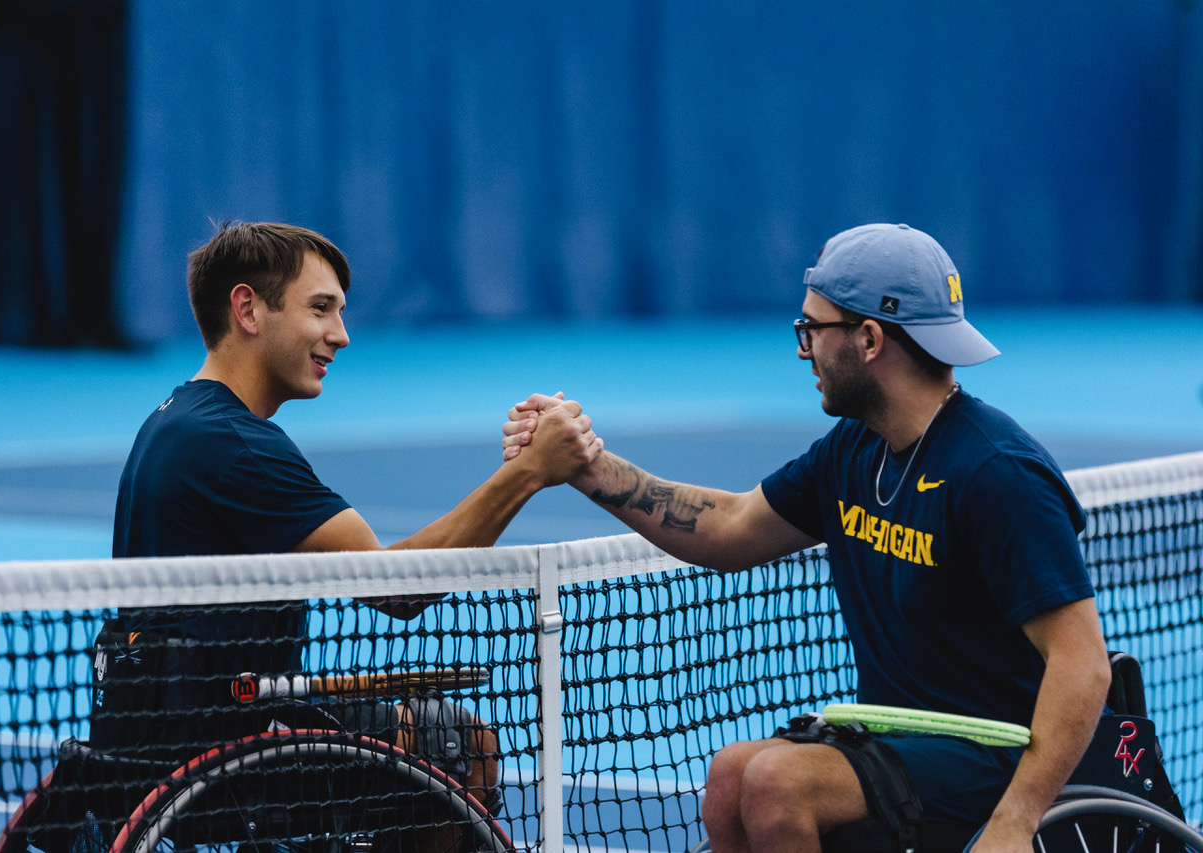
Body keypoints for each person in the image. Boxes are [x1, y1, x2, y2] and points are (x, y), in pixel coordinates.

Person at [503, 223, 1110, 853]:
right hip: (899, 737)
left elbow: (1083, 662)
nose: (803, 352)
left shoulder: (996, 473)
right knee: (730, 774)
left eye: (811, 330)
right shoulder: (854, 450)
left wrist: (1015, 823)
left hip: (997, 753)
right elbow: (729, 528)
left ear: (869, 339)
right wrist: (588, 467)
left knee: (777, 782)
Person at [91, 221, 601, 835]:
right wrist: (528, 473)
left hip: (162, 733)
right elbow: (397, 588)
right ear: (248, 309)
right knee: (459, 745)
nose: (342, 334)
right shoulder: (233, 444)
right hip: (216, 760)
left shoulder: (176, 419)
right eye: (321, 309)